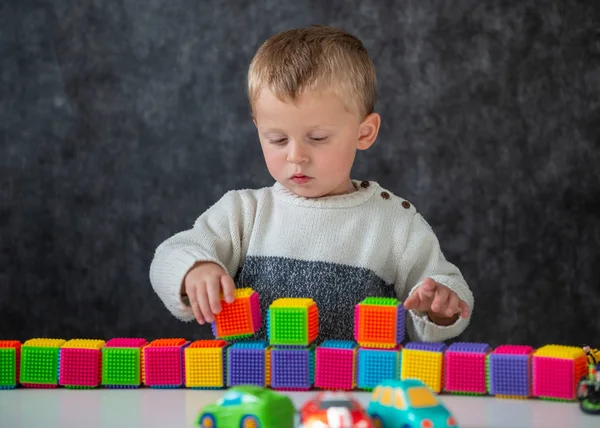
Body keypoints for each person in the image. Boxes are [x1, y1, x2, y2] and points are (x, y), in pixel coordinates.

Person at [149, 25, 474, 342]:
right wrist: (195, 269)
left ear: (364, 133)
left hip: (359, 391)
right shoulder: (244, 213)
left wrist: (439, 307)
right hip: (257, 390)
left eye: (317, 138)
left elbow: (443, 287)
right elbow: (171, 255)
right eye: (276, 139)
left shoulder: (394, 223)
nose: (296, 156)